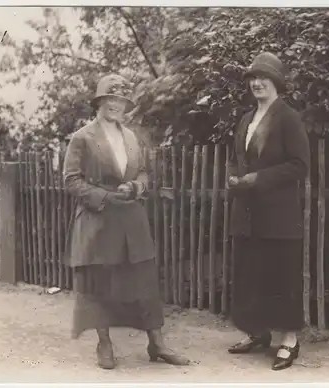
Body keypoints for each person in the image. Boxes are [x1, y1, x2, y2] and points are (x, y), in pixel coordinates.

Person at [63, 74, 190, 369]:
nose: (115, 105)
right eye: (110, 99)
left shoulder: (131, 137)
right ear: (100, 102)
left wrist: (135, 188)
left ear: (125, 105)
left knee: (143, 280)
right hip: (98, 221)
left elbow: (143, 173)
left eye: (120, 100)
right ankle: (104, 344)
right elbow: (71, 181)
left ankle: (157, 344)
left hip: (131, 219)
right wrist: (104, 197)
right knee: (100, 282)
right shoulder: (83, 137)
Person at [226, 52, 310, 371]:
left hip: (278, 215)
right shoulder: (246, 119)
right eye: (252, 78)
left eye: (263, 77)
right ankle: (258, 333)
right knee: (251, 275)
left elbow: (299, 165)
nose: (256, 83)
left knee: (282, 276)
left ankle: (289, 340)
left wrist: (259, 178)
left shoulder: (288, 118)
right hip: (247, 213)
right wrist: (234, 177)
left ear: (276, 82)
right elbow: (237, 158)